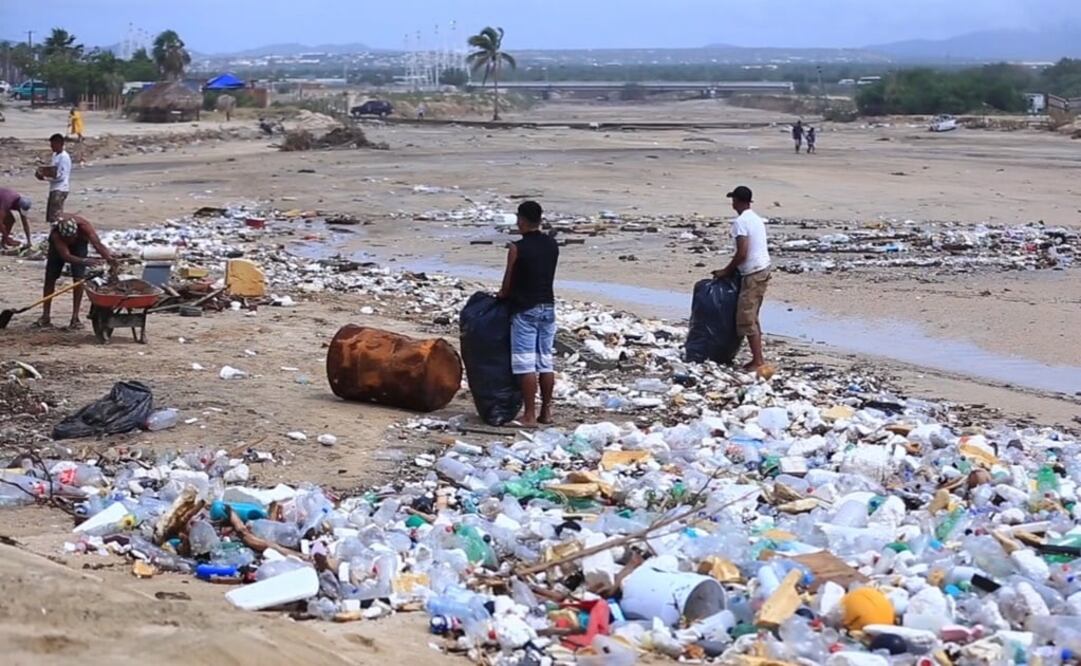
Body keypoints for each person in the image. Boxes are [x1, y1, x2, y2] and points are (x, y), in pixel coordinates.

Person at [497, 200, 559, 426]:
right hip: (548, 308)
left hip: (525, 310)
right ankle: (547, 412)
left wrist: (500, 296)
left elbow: (507, 286)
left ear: (521, 220)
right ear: (540, 220)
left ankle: (529, 415)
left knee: (526, 364)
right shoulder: (552, 245)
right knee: (545, 362)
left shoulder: (516, 248)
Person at [713, 186, 771, 372]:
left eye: (733, 200)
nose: (732, 203)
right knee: (752, 316)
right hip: (762, 268)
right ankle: (757, 358)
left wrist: (726, 271)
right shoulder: (756, 219)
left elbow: (742, 253)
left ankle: (758, 361)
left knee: (746, 318)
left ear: (737, 201)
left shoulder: (740, 222)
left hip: (753, 273)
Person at [37, 214, 117, 330]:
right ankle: (45, 316)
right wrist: (84, 261)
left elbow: (97, 245)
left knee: (79, 279)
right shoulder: (56, 235)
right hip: (59, 250)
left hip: (80, 244)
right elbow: (66, 256)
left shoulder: (85, 228)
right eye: (67, 239)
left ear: (76, 232)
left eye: (72, 237)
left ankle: (75, 318)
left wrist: (109, 259)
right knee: (50, 277)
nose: (71, 241)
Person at [35, 133, 71, 223]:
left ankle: (58, 234)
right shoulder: (55, 155)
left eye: (53, 145)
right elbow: (53, 171)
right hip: (54, 188)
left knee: (56, 215)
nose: (52, 147)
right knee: (51, 215)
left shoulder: (64, 157)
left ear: (60, 144)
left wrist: (45, 178)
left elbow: (61, 176)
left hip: (60, 188)